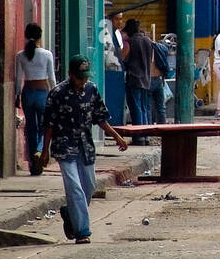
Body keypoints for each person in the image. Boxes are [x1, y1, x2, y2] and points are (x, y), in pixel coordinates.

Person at [41, 55, 128, 244]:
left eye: (86, 77)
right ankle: (82, 232)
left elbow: (100, 118)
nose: (84, 81)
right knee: (75, 188)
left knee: (89, 186)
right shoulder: (57, 93)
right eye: (80, 78)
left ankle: (70, 214)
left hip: (85, 145)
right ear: (71, 75)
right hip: (64, 146)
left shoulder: (92, 90)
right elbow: (48, 124)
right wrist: (45, 150)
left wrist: (116, 136)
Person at [15, 24, 55, 175]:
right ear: (40, 36)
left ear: (26, 36)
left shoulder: (21, 55)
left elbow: (19, 79)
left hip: (27, 93)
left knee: (30, 128)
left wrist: (17, 96)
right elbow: (51, 78)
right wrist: (55, 95)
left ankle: (33, 162)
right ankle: (39, 150)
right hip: (43, 93)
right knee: (45, 127)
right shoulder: (46, 54)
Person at [118, 19, 154, 137]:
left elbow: (122, 58)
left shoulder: (130, 42)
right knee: (144, 107)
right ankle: (145, 135)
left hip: (134, 78)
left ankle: (138, 136)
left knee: (136, 107)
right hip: (147, 79)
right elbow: (152, 60)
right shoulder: (148, 41)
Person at [150, 35, 171, 125]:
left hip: (149, 79)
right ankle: (162, 126)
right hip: (159, 78)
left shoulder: (147, 50)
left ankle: (149, 126)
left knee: (148, 106)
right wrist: (163, 78)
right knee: (161, 107)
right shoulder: (161, 50)